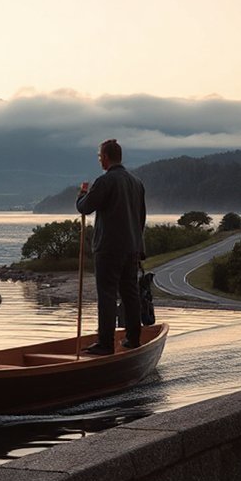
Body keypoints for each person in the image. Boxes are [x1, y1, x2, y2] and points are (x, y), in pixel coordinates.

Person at [76, 139, 147, 355]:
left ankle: (105, 343)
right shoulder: (136, 183)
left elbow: (86, 207)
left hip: (108, 248)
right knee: (130, 293)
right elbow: (141, 218)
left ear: (105, 157)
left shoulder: (105, 181)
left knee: (106, 295)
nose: (99, 160)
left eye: (99, 156)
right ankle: (133, 339)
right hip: (132, 247)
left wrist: (81, 194)